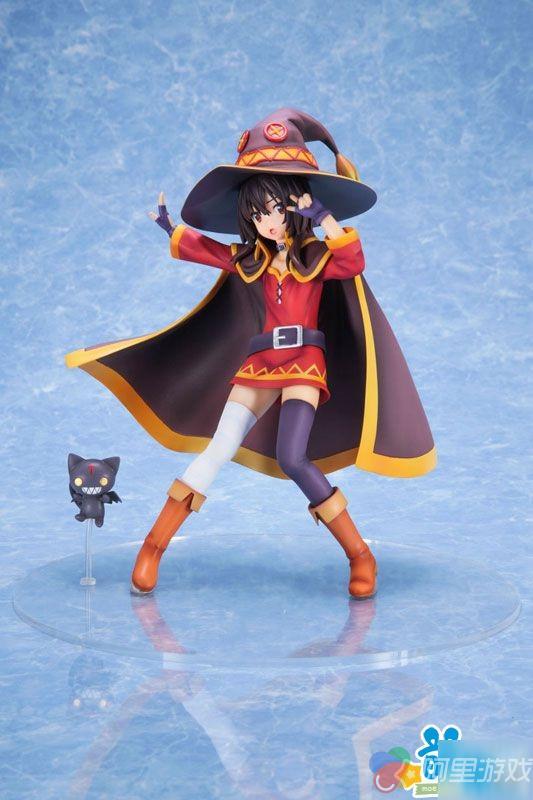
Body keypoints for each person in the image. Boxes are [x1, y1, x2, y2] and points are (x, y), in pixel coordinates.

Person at [64, 107, 436, 601]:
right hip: (261, 364)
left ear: (295, 206)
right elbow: (212, 252)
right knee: (218, 447)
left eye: (277, 209)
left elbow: (352, 260)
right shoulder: (251, 260)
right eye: (258, 214)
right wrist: (170, 229)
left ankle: (359, 554)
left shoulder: (314, 257)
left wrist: (323, 219)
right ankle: (153, 546)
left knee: (293, 456)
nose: (269, 222)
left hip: (304, 364)